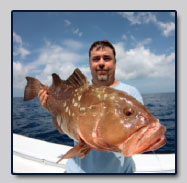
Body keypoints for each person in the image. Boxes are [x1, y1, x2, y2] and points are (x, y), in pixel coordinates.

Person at [38, 40, 143, 173]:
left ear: (115, 63)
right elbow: (63, 130)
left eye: (107, 58)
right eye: (96, 59)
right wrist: (52, 108)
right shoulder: (77, 91)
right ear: (90, 64)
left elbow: (136, 137)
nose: (101, 63)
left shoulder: (131, 93)